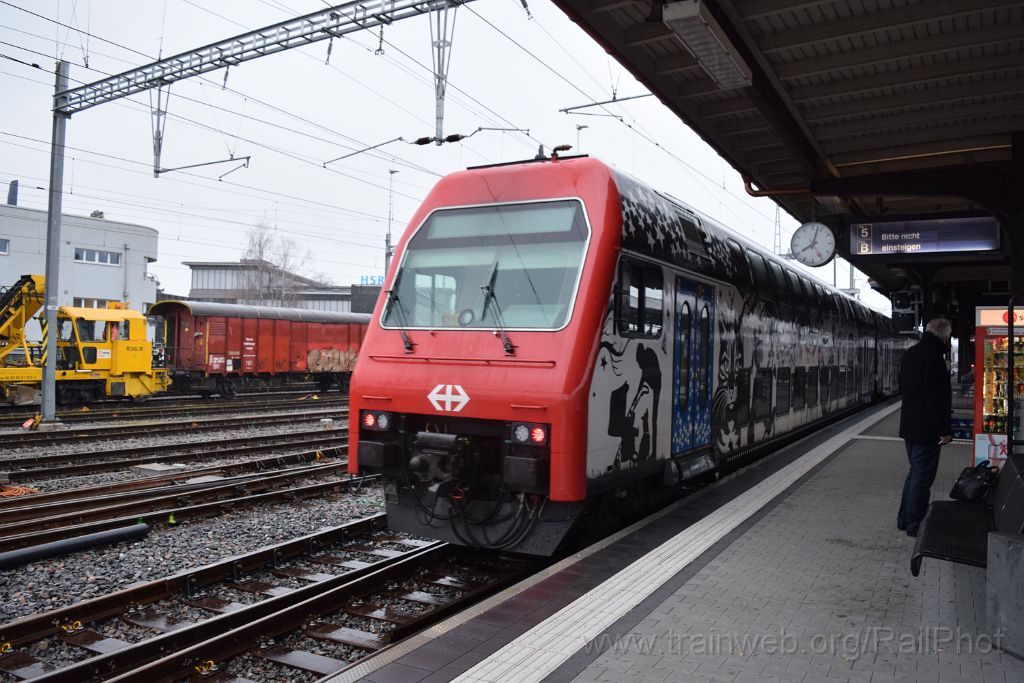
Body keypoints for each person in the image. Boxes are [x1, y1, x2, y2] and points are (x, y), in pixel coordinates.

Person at [897, 318, 953, 537]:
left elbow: (904, 389)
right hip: (926, 431)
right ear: (944, 336)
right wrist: (943, 431)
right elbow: (934, 400)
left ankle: (904, 519)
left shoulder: (910, 354)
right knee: (922, 479)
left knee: (914, 474)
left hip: (909, 427)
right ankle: (914, 525)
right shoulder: (934, 359)